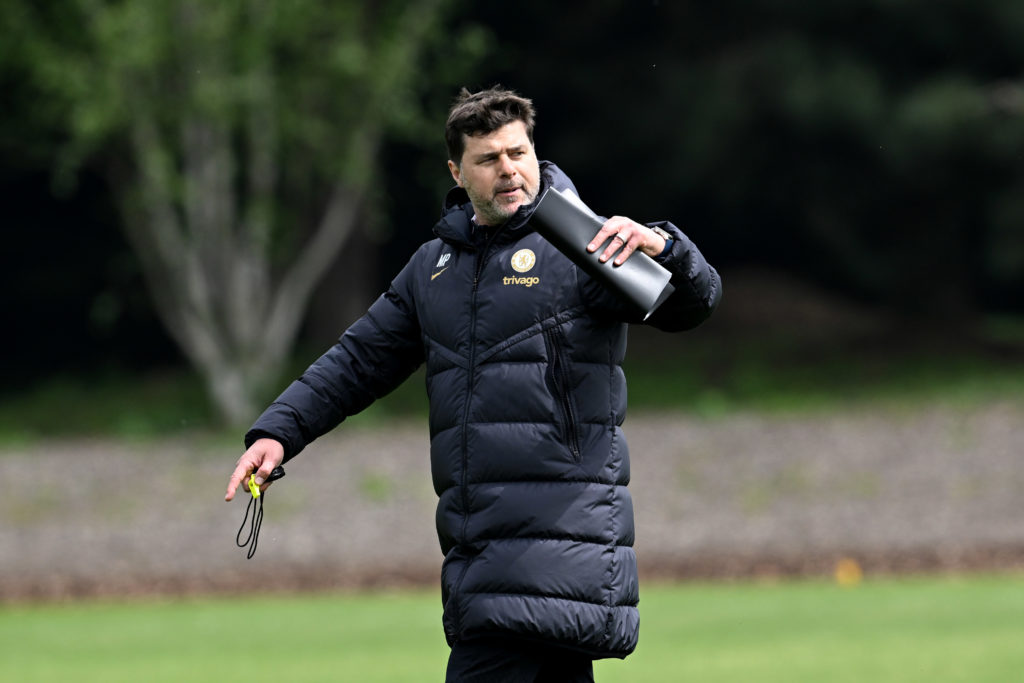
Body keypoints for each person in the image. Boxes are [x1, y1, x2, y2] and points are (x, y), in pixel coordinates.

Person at [225, 86, 722, 682]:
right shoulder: (434, 266)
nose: (509, 171)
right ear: (457, 172)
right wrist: (279, 431)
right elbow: (359, 360)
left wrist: (666, 246)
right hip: (483, 554)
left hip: (557, 553)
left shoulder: (586, 243)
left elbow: (691, 305)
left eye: (518, 153)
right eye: (489, 159)